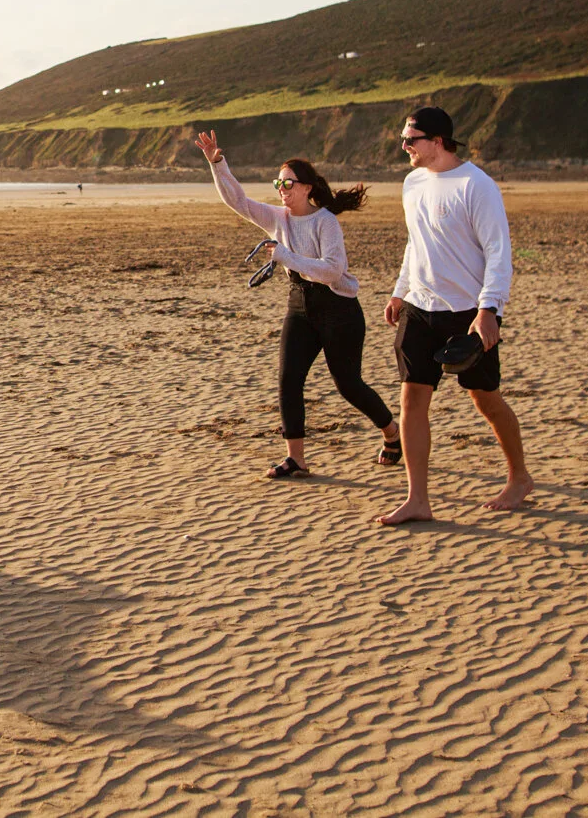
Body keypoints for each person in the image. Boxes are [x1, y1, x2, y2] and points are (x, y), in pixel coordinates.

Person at [196, 131, 400, 478]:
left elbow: (333, 270)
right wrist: (218, 164)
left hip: (339, 309)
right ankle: (297, 459)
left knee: (348, 384)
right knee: (288, 380)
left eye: (288, 183)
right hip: (300, 305)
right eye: (279, 183)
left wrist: (287, 255)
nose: (282, 189)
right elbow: (238, 202)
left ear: (307, 187)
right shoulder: (279, 219)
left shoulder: (326, 222)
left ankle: (391, 432)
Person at [377, 106, 532, 524]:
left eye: (411, 140)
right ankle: (417, 499)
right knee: (412, 398)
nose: (404, 147)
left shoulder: (477, 186)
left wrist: (488, 312)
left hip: (467, 312)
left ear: (438, 142)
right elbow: (416, 243)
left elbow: (499, 253)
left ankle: (519, 477)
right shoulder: (411, 183)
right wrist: (399, 291)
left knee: (485, 399)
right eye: (403, 139)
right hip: (419, 307)